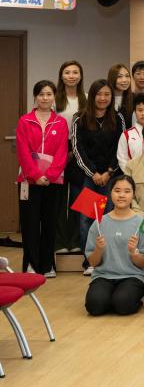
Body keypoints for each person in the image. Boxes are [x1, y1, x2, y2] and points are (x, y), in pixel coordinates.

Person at [71, 78, 126, 274]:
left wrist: (109, 171)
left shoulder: (118, 118)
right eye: (99, 94)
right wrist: (93, 173)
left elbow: (121, 147)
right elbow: (77, 149)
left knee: (107, 219)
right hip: (89, 177)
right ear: (92, 96)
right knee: (87, 220)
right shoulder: (80, 118)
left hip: (110, 176)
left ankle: (107, 261)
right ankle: (90, 262)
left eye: (107, 94)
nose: (103, 98)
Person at [16, 79, 69, 276]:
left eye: (49, 94)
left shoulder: (61, 122)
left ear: (54, 97)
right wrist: (36, 175)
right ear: (35, 97)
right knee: (29, 224)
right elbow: (22, 151)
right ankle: (30, 264)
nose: (45, 98)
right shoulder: (25, 121)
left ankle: (48, 265)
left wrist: (50, 175)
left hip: (53, 181)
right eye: (41, 94)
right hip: (28, 180)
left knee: (49, 223)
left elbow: (62, 152)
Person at [83, 175, 144, 316]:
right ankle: (109, 298)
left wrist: (133, 252)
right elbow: (93, 262)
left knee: (123, 304)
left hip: (133, 276)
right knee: (94, 306)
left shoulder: (142, 223)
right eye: (117, 190)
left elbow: (142, 263)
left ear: (133, 194)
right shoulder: (99, 223)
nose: (121, 195)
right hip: (103, 276)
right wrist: (98, 249)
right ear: (110, 193)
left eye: (127, 191)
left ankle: (126, 298)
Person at [54, 61, 86, 255]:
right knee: (58, 199)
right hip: (57, 150)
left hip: (79, 151)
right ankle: (59, 242)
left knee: (78, 198)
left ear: (80, 76)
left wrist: (75, 151)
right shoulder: (53, 98)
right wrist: (63, 153)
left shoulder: (87, 98)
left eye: (75, 72)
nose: (71, 76)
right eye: (67, 72)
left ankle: (75, 240)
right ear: (61, 75)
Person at [117, 93, 144, 168]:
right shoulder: (126, 135)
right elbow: (122, 159)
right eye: (140, 110)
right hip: (132, 174)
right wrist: (132, 173)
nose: (143, 113)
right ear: (134, 112)